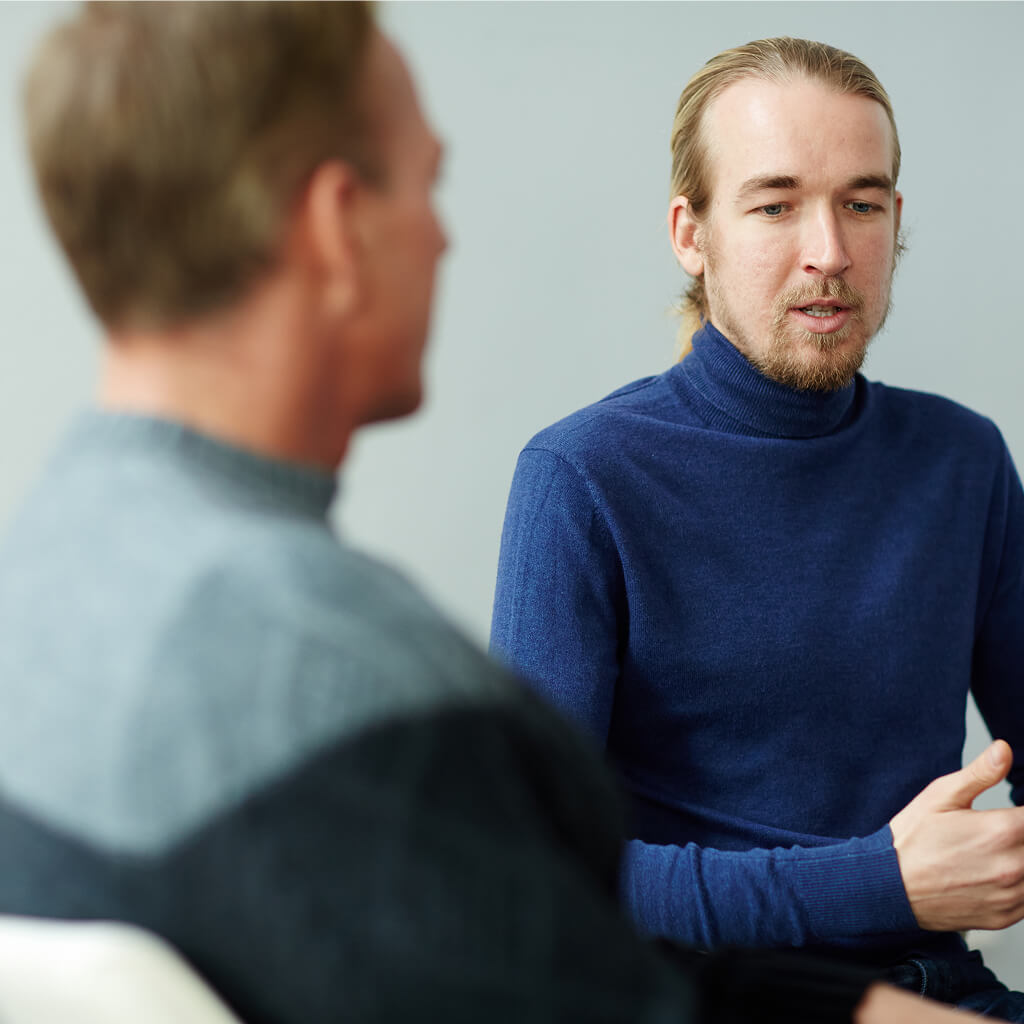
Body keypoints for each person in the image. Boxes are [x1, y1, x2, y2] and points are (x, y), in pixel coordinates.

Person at [0, 5, 970, 1022]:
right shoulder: (341, 679)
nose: (443, 235)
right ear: (339, 224)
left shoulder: (52, 567)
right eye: (428, 184)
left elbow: (559, 962)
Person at [491, 35, 1024, 1021]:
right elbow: (532, 874)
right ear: (691, 234)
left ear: (894, 220)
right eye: (775, 204)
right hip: (712, 1002)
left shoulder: (963, 462)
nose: (828, 251)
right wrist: (880, 879)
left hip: (950, 994)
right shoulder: (581, 477)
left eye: (860, 203)